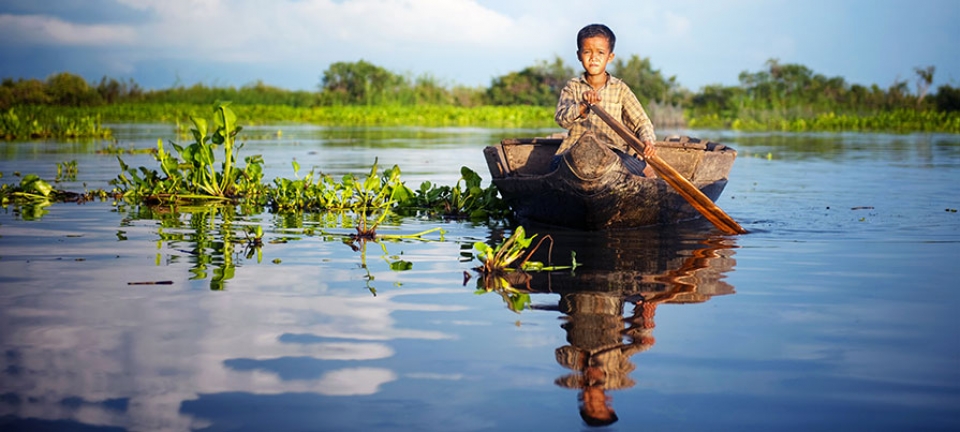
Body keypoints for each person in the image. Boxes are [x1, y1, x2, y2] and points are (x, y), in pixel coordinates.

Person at [553, 23, 658, 177]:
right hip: (574, 150)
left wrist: (647, 141)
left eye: (600, 52)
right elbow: (562, 119)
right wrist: (582, 107)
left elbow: (642, 123)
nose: (593, 57)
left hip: (612, 152)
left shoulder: (620, 89)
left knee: (636, 170)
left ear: (610, 57)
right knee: (554, 167)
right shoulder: (573, 87)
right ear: (579, 55)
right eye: (587, 52)